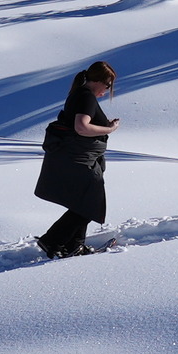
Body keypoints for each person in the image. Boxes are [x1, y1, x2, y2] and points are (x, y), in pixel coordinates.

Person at [35, 61, 119, 258]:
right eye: (107, 86)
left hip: (75, 157)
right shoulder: (85, 96)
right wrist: (110, 129)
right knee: (90, 203)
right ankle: (52, 240)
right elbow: (82, 127)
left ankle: (75, 245)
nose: (106, 91)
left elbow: (78, 127)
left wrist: (104, 125)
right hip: (79, 159)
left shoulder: (79, 95)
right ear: (98, 81)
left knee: (83, 202)